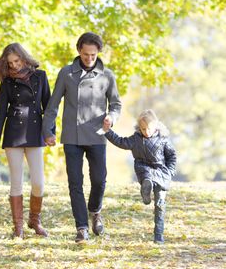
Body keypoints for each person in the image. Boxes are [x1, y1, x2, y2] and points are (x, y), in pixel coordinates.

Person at [42, 32, 122, 243]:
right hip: (72, 136)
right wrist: (48, 131)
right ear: (79, 51)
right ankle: (82, 227)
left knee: (99, 180)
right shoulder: (66, 74)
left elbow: (116, 105)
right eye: (86, 54)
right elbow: (53, 105)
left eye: (93, 55)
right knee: (75, 183)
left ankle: (95, 210)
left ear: (98, 53)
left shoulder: (107, 75)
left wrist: (111, 118)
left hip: (97, 135)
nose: (89, 59)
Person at [0, 43, 51, 239]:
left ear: (24, 58)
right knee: (16, 182)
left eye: (17, 61)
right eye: (10, 63)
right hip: (13, 134)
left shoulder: (40, 76)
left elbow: (48, 107)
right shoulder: (7, 82)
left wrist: (50, 132)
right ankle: (18, 227)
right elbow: (0, 112)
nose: (14, 65)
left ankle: (35, 220)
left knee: (39, 183)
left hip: (35, 132)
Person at [103, 109, 177, 244]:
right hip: (144, 168)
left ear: (155, 125)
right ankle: (146, 189)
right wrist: (107, 131)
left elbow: (172, 156)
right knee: (147, 177)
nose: (146, 132)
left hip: (161, 171)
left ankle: (158, 235)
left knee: (160, 203)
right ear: (139, 128)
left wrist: (170, 171)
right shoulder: (136, 139)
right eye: (143, 129)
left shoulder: (163, 139)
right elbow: (121, 141)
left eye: (148, 128)